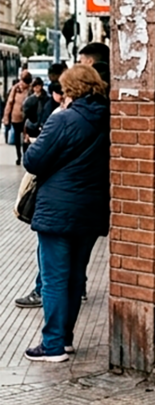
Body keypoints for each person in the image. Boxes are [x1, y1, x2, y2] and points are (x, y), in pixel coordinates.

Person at [21, 65, 110, 362]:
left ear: (70, 90)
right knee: (75, 277)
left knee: (54, 278)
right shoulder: (108, 118)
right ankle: (65, 338)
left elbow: (34, 161)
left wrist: (35, 141)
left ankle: (53, 345)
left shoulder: (64, 120)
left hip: (58, 210)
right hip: (91, 210)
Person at [14, 82, 67, 311]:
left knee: (50, 265)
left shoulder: (60, 117)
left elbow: (34, 160)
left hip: (56, 200)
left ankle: (56, 339)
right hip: (88, 205)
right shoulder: (102, 118)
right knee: (74, 268)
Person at [4, 71, 32, 163]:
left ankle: (25, 155)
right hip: (15, 117)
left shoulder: (31, 90)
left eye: (24, 82)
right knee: (17, 137)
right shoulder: (15, 89)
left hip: (26, 118)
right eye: (21, 81)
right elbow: (9, 103)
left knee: (25, 138)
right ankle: (18, 156)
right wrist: (6, 117)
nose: (21, 84)